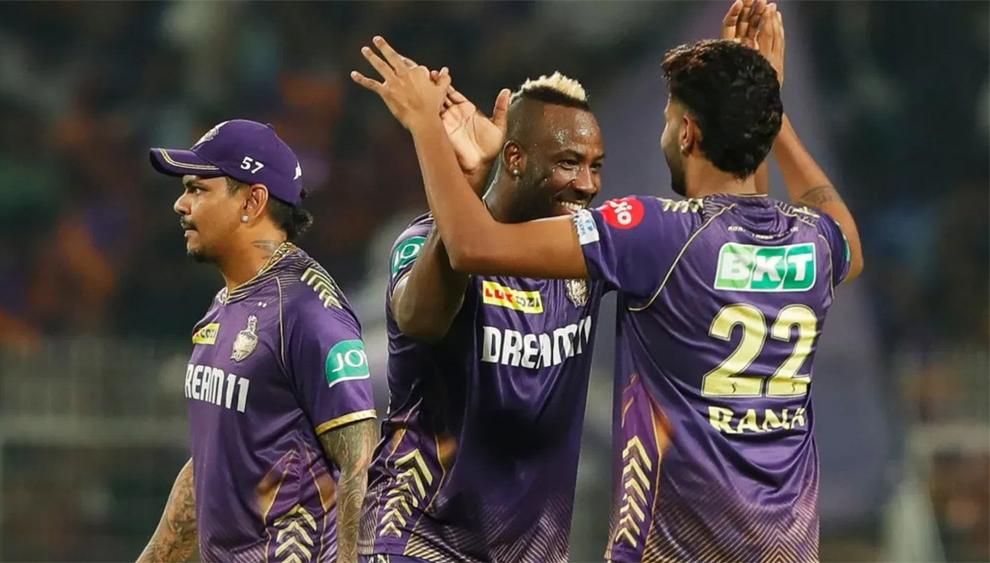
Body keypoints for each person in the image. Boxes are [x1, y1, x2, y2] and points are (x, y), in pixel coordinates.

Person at [352, 1, 864, 559]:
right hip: (785, 545)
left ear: (687, 132)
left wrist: (427, 127)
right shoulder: (811, 241)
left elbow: (473, 245)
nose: (589, 182)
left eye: (667, 119)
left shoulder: (655, 234)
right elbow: (844, 239)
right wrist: (766, 108)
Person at [352, 70, 607, 563]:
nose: (587, 184)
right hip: (419, 540)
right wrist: (463, 179)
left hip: (527, 550)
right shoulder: (422, 243)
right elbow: (420, 320)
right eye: (568, 163)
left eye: (595, 166)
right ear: (515, 159)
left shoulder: (587, 257)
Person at [137, 119, 378, 563]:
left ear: (252, 201)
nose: (180, 204)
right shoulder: (225, 303)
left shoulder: (307, 309)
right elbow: (213, 464)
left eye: (197, 189)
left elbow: (360, 464)